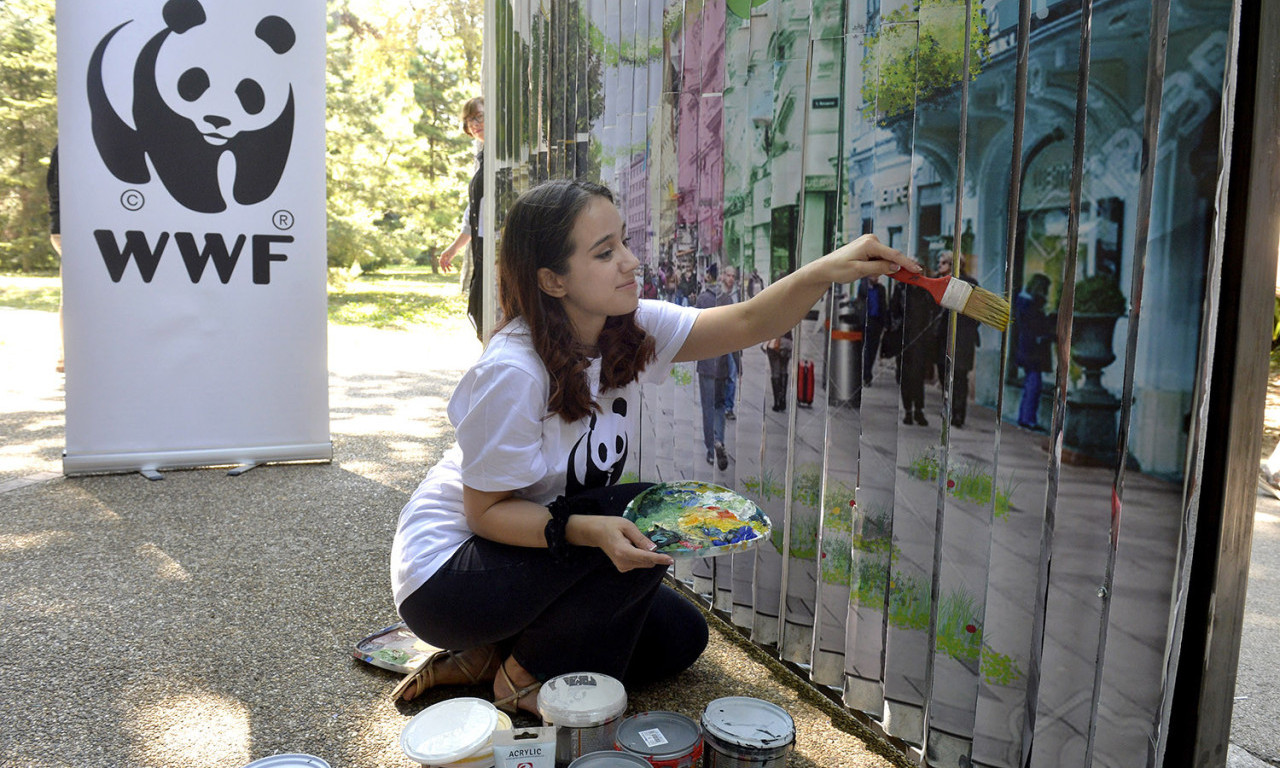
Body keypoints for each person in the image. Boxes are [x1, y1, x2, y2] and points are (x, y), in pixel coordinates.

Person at [388, 179, 918, 713]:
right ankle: (519, 679)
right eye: (605, 252)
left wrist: (827, 269)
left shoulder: (626, 325)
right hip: (448, 576)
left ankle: (490, 655)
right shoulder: (514, 370)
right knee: (649, 515)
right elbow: (484, 513)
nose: (631, 260)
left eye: (623, 241)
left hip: (529, 552)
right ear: (552, 280)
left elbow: (751, 320)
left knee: (680, 637)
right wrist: (589, 530)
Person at [437, 97, 486, 338]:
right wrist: (454, 248)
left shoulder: (503, 158)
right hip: (482, 251)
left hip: (498, 253)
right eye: (468, 120)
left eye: (479, 116)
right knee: (480, 311)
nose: (473, 124)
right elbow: (473, 213)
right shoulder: (483, 158)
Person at [934, 252, 980, 427]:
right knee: (944, 375)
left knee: (959, 377)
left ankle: (958, 414)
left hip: (962, 341)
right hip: (943, 339)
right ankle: (949, 409)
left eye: (944, 263)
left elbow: (978, 314)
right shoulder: (941, 283)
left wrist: (967, 331)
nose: (940, 266)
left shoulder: (971, 284)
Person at [893, 265, 940, 426]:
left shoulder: (925, 291)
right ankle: (908, 411)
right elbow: (893, 312)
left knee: (918, 377)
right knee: (905, 377)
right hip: (904, 340)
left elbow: (933, 314)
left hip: (921, 341)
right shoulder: (901, 289)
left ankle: (919, 410)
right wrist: (897, 331)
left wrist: (929, 337)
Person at [696, 266, 730, 469]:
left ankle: (711, 450)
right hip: (723, 363)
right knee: (719, 405)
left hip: (706, 364)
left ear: (709, 277)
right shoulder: (727, 299)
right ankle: (720, 441)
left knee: (708, 407)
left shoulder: (702, 299)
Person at [1013, 273, 1056, 430]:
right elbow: (1036, 327)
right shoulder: (1030, 305)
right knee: (1034, 385)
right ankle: (1028, 418)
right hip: (1032, 349)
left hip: (1027, 347)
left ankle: (1025, 417)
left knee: (1031, 384)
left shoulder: (1024, 302)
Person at [857, 274, 887, 386]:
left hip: (876, 323)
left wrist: (884, 323)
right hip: (864, 321)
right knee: (862, 350)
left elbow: (884, 306)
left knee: (872, 351)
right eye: (874, 275)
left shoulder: (881, 289)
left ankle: (867, 375)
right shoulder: (863, 287)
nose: (876, 278)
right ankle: (862, 375)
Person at [719, 265, 740, 421]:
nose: (731, 278)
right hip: (720, 340)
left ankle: (728, 407)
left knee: (732, 375)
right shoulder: (718, 294)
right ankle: (719, 403)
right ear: (723, 276)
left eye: (733, 276)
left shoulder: (738, 294)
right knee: (720, 375)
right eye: (728, 275)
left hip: (733, 341)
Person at [763, 330, 792, 412]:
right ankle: (783, 400)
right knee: (784, 370)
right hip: (787, 343)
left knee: (775, 372)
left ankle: (777, 402)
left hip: (774, 341)